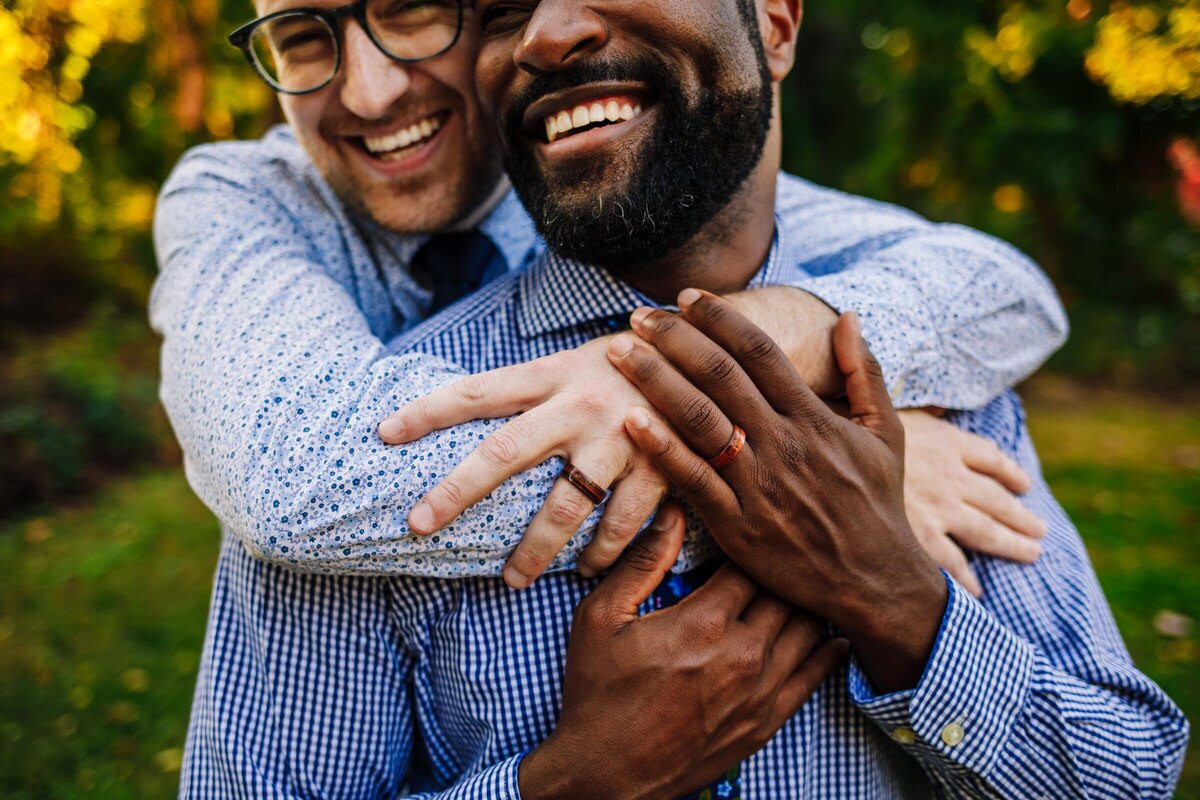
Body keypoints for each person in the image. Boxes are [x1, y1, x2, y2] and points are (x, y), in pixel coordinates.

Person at [149, 0, 1188, 798]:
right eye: (512, 0)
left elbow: (1126, 770)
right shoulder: (352, 452)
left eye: (413, 8)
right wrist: (559, 786)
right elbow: (293, 479)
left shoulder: (905, 373)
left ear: (776, 21)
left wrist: (901, 602)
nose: (372, 93)